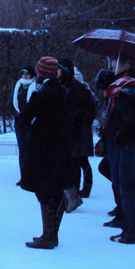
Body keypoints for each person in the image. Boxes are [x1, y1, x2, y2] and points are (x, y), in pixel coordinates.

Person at [21, 56, 71, 250]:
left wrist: (35, 125)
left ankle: (48, 236)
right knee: (54, 190)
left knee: (43, 191)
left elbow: (24, 119)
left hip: (43, 149)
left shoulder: (41, 94)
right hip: (61, 147)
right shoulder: (65, 91)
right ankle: (52, 235)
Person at [101, 58, 135, 244]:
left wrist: (119, 138)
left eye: (115, 65)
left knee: (127, 187)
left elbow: (129, 121)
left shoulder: (123, 90)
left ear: (127, 66)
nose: (111, 68)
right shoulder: (131, 86)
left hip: (129, 146)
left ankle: (129, 232)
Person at [58, 58, 97, 211]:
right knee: (72, 164)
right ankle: (72, 196)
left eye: (59, 69)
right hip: (72, 132)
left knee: (76, 164)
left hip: (78, 133)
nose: (56, 72)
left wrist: (73, 117)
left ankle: (74, 197)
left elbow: (89, 108)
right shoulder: (66, 85)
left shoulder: (75, 87)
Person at [12, 65, 36, 185]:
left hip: (31, 123)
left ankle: (32, 176)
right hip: (20, 122)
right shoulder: (18, 86)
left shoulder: (35, 87)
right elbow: (13, 104)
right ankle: (24, 176)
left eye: (27, 74)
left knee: (31, 150)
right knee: (22, 150)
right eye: (23, 73)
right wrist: (17, 116)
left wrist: (28, 118)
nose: (25, 76)